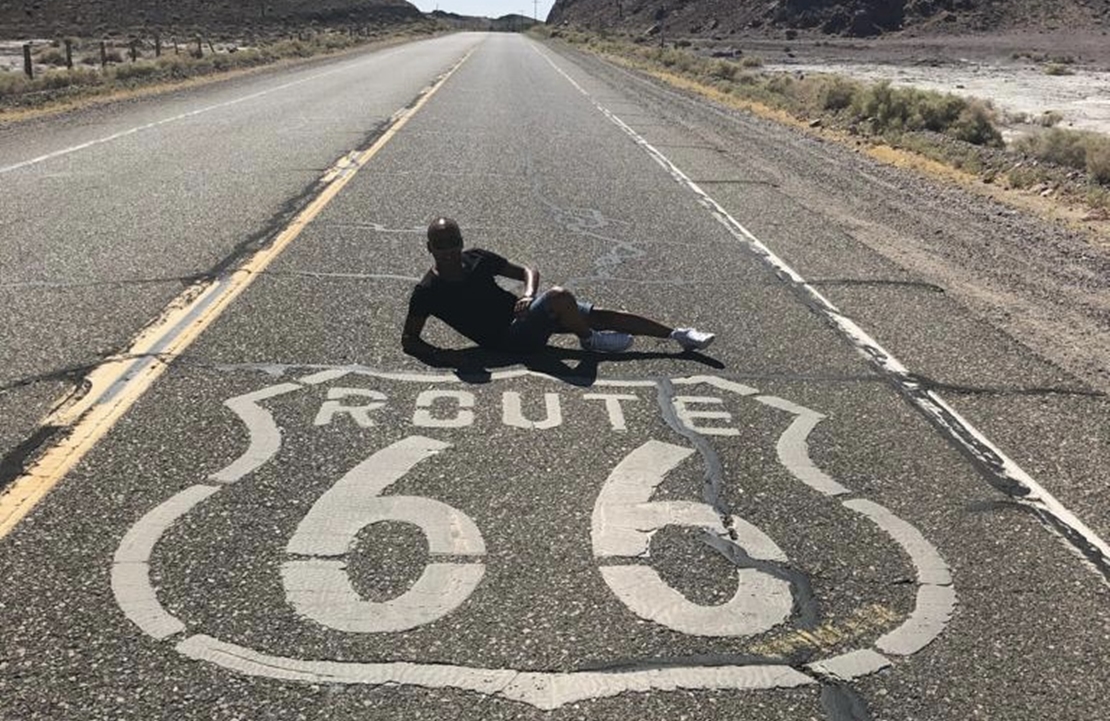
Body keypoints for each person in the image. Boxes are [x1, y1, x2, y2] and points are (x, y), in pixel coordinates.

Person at [401, 217, 715, 357]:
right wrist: (448, 358)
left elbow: (527, 270)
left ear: (461, 242)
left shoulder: (476, 258)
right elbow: (410, 340)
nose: (449, 250)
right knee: (561, 296)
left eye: (454, 242)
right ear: (429, 247)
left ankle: (679, 336)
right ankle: (589, 340)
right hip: (509, 340)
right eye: (441, 245)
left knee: (604, 314)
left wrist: (527, 294)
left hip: (525, 316)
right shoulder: (429, 291)